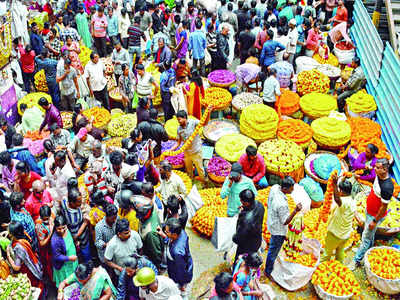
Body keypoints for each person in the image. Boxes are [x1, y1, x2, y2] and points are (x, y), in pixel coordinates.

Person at [350, 158, 394, 270]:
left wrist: (374, 221)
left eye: (378, 167)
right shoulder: (379, 175)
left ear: (384, 169)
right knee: (369, 235)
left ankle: (356, 260)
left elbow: (384, 207)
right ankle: (366, 250)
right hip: (369, 210)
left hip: (374, 215)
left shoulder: (387, 187)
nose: (375, 169)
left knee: (366, 237)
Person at [265, 176, 302, 279]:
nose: (293, 190)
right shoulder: (281, 204)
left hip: (272, 221)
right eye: (291, 188)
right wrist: (295, 211)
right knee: (273, 250)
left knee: (273, 247)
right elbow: (285, 221)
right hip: (278, 230)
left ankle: (269, 266)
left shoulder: (275, 187)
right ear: (285, 189)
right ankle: (268, 271)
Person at [321, 174, 354, 263]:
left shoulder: (344, 202)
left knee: (327, 252)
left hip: (335, 234)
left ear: (341, 192)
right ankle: (339, 265)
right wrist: (341, 179)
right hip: (345, 235)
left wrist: (335, 184)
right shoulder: (352, 201)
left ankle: (321, 268)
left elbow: (337, 199)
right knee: (340, 251)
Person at [6, 221, 44, 294]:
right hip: (34, 261)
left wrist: (8, 254)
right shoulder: (25, 235)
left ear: (12, 234)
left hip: (28, 269)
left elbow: (17, 267)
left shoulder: (18, 247)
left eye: (9, 231)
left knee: (34, 288)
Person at [159, 218, 193, 299]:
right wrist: (164, 236)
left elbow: (181, 270)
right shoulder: (182, 232)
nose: (165, 232)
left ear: (174, 234)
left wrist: (181, 284)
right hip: (183, 264)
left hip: (180, 275)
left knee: (181, 293)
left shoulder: (177, 252)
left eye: (167, 232)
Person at [171, 110, 208, 182]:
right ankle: (190, 182)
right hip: (187, 153)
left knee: (200, 169)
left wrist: (208, 112)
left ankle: (204, 182)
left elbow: (204, 123)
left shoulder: (193, 122)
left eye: (179, 119)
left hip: (196, 151)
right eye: (178, 120)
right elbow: (178, 143)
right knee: (189, 170)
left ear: (185, 118)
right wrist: (171, 150)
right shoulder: (179, 129)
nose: (179, 121)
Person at [233, 189, 265, 260]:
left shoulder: (246, 219)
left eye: (242, 200)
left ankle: (239, 270)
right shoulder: (260, 205)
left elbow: (239, 237)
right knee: (251, 259)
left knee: (240, 260)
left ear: (247, 203)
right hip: (257, 240)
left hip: (246, 244)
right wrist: (244, 208)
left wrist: (234, 238)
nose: (240, 201)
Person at [61, 188, 91, 263]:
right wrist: (85, 223)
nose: (81, 203)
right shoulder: (73, 218)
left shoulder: (65, 202)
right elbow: (75, 235)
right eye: (79, 202)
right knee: (86, 255)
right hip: (82, 240)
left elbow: (62, 199)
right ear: (71, 203)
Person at [35, 205, 53, 282]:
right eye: (44, 219)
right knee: (50, 266)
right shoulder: (39, 225)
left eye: (47, 219)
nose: (46, 221)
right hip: (47, 250)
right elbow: (42, 243)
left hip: (53, 246)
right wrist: (50, 234)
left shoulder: (52, 215)